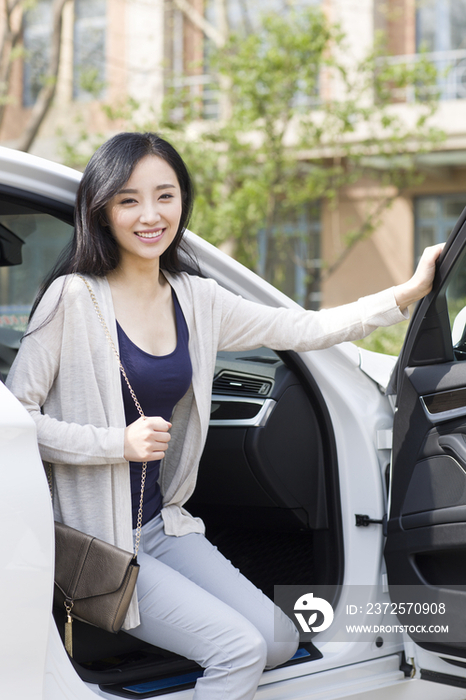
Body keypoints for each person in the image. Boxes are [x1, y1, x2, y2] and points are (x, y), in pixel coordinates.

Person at [6, 132, 443, 700]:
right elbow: (15, 422)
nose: (150, 215)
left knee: (280, 640)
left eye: (165, 196)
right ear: (102, 210)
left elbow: (302, 328)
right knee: (240, 652)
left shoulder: (196, 299)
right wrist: (117, 442)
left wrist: (407, 293)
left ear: (182, 201)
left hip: (161, 528)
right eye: (129, 200)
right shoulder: (72, 298)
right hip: (97, 545)